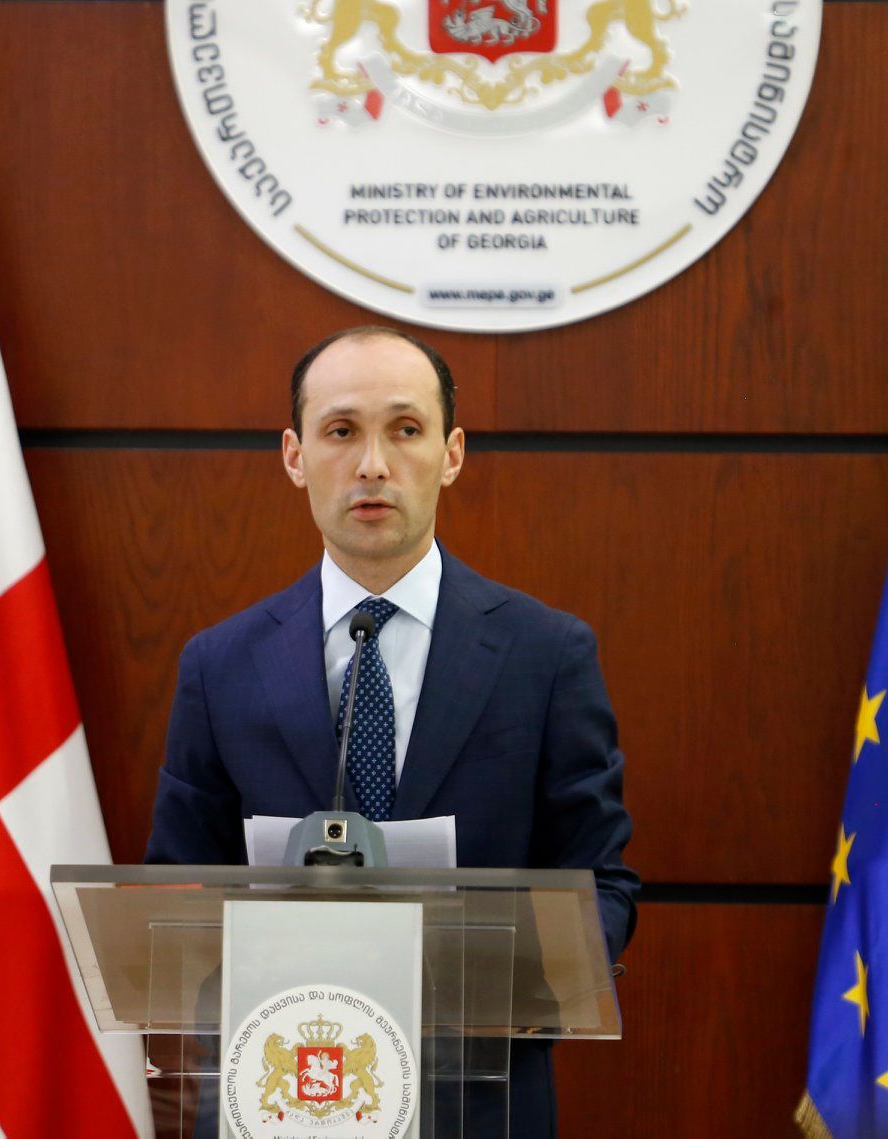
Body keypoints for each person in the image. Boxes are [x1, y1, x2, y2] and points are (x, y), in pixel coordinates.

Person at [145, 326, 638, 1137]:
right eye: (341, 430)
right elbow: (179, 890)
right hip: (281, 1091)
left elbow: (599, 882)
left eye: (405, 429)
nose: (372, 463)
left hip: (475, 1100)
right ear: (295, 456)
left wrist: (517, 984)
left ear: (451, 453)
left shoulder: (545, 654)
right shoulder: (220, 664)